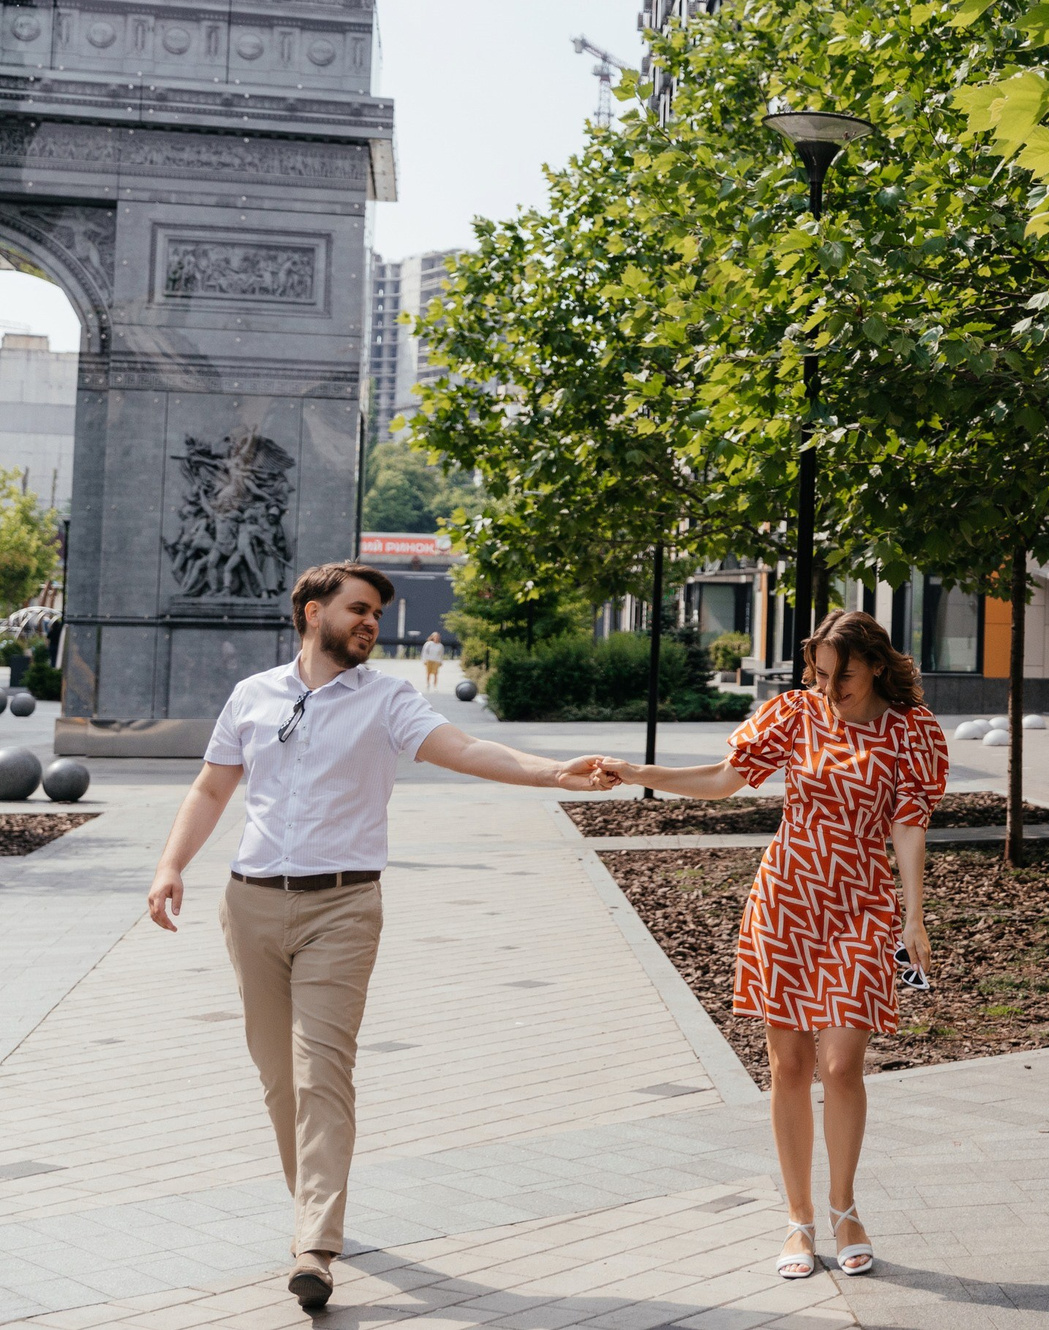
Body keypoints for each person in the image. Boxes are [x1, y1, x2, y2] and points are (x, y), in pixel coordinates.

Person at [145, 562, 615, 1311]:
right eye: (358, 610)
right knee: (276, 1078)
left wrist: (554, 772)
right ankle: (312, 1209)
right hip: (251, 905)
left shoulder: (388, 699)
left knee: (320, 1074)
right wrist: (171, 865)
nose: (370, 622)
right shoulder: (252, 696)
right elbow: (211, 786)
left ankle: (314, 1246)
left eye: (376, 613)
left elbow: (466, 750)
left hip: (343, 907)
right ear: (311, 613)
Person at [603, 609, 945, 1280]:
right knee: (789, 1067)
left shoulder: (913, 731)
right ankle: (799, 1221)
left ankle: (846, 1207)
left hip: (862, 906)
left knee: (842, 1064)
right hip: (787, 900)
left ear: (875, 663)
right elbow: (725, 778)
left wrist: (914, 917)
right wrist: (635, 770)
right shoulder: (794, 714)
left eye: (841, 673)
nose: (830, 686)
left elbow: (909, 826)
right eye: (819, 673)